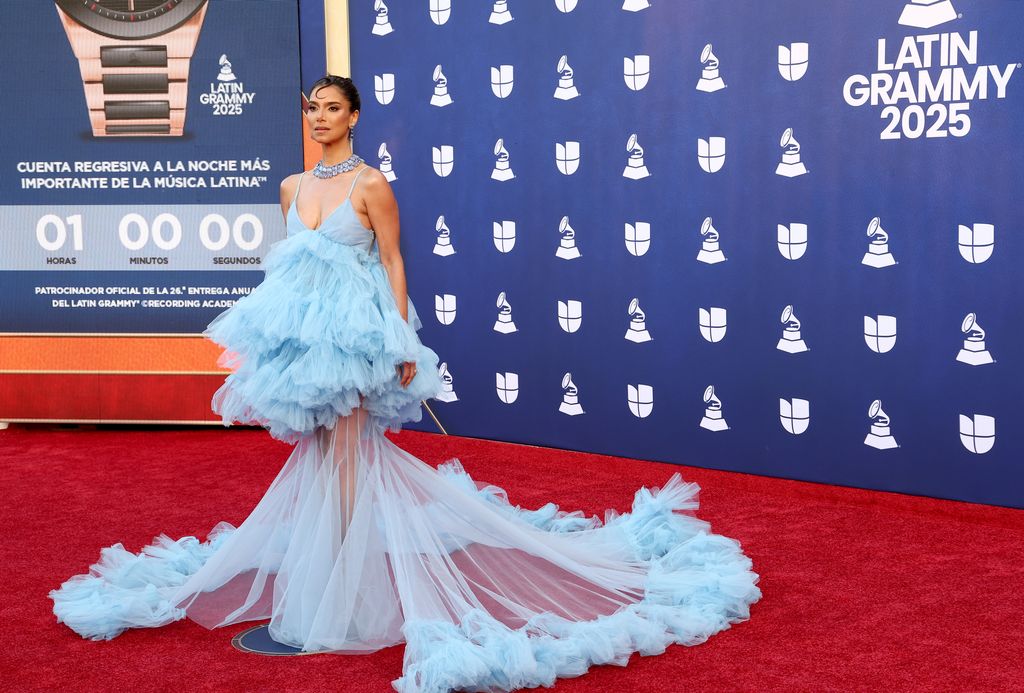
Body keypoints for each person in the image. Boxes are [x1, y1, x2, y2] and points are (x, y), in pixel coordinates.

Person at [49, 76, 761, 693]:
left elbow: (392, 261)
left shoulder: (371, 184)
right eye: (312, 108)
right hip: (306, 341)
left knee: (350, 453)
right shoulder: (292, 186)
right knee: (322, 452)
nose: (320, 117)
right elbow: (293, 269)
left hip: (359, 339)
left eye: (332, 108)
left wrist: (401, 341)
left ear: (354, 115)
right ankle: (330, 569)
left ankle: (343, 588)